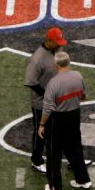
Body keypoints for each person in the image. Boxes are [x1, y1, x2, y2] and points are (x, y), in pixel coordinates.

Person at [38, 51, 91, 190]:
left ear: (56, 64)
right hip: (74, 116)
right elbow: (84, 96)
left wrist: (42, 124)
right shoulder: (78, 76)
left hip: (57, 119)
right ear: (68, 62)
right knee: (75, 148)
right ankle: (83, 180)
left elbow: (48, 108)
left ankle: (55, 187)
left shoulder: (53, 83)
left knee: (53, 153)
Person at [24, 26, 67, 173]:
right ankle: (36, 160)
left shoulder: (57, 50)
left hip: (58, 99)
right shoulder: (37, 59)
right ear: (49, 41)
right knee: (40, 132)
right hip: (42, 103)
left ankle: (73, 158)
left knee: (64, 129)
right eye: (57, 42)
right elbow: (31, 82)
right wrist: (49, 95)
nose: (60, 45)